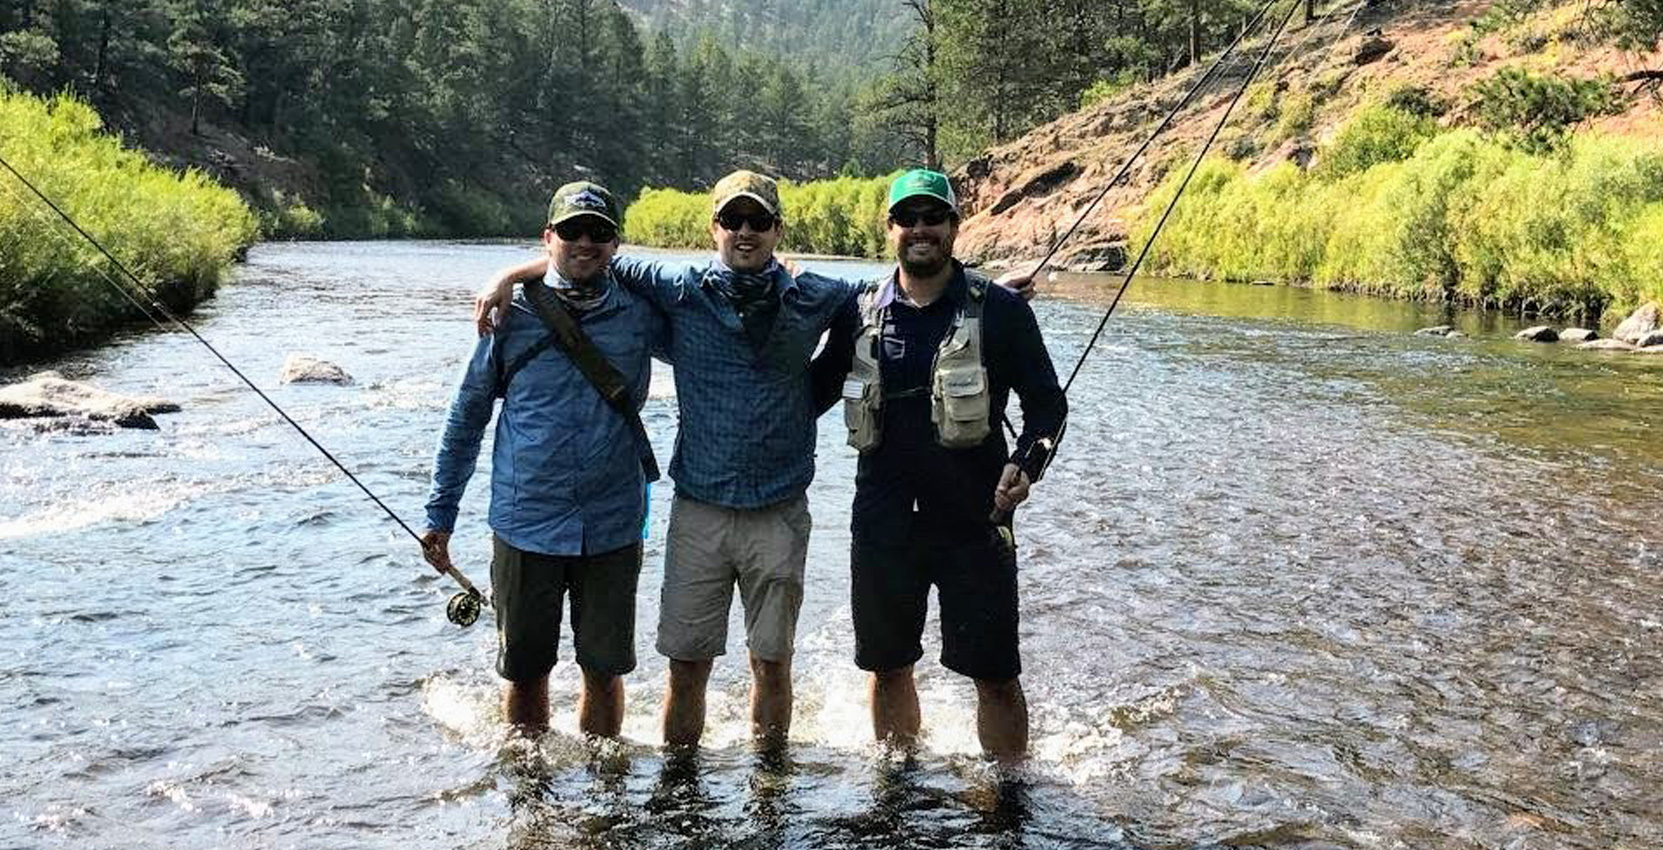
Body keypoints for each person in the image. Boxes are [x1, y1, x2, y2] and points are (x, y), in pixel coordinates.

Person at [474, 170, 1036, 750]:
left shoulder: (820, 295)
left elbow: (907, 285)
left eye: (758, 221)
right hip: (698, 511)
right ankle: (679, 783)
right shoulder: (677, 288)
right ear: (714, 228)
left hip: (780, 511)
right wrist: (508, 275)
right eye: (733, 221)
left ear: (777, 230)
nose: (745, 232)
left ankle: (771, 787)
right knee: (686, 666)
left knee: (772, 664)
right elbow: (586, 260)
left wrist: (991, 295)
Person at [809, 169, 1068, 763]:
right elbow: (809, 394)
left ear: (954, 226)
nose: (920, 229)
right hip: (882, 527)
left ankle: (1008, 794)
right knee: (888, 665)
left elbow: (1049, 406)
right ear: (891, 229)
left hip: (976, 525)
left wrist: (1028, 465)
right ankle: (898, 782)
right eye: (908, 218)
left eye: (933, 218)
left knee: (996, 674)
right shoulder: (858, 311)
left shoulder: (999, 310)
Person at [420, 181, 663, 738]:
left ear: (615, 244)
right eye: (572, 231)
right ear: (548, 237)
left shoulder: (641, 315)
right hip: (525, 522)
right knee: (526, 674)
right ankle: (530, 801)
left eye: (598, 233)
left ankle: (606, 795)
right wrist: (441, 515)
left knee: (603, 671)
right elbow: (467, 417)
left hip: (613, 523)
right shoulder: (507, 315)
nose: (585, 242)